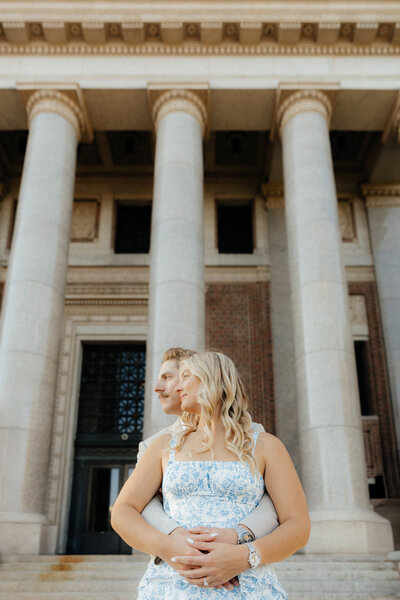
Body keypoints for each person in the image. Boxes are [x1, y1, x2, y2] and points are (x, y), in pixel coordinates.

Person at [111, 350, 310, 597]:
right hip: (170, 588)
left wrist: (244, 556)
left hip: (246, 587)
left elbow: (298, 525)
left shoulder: (267, 446)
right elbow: (122, 512)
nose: (178, 386)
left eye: (185, 376)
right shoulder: (162, 446)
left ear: (213, 377)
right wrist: (170, 548)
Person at [139, 347, 279, 587]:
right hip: (178, 571)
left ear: (207, 375)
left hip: (241, 569)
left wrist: (237, 543)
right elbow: (140, 507)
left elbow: (274, 502)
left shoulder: (256, 438)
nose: (158, 388)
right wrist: (182, 546)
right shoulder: (154, 446)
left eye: (170, 377)